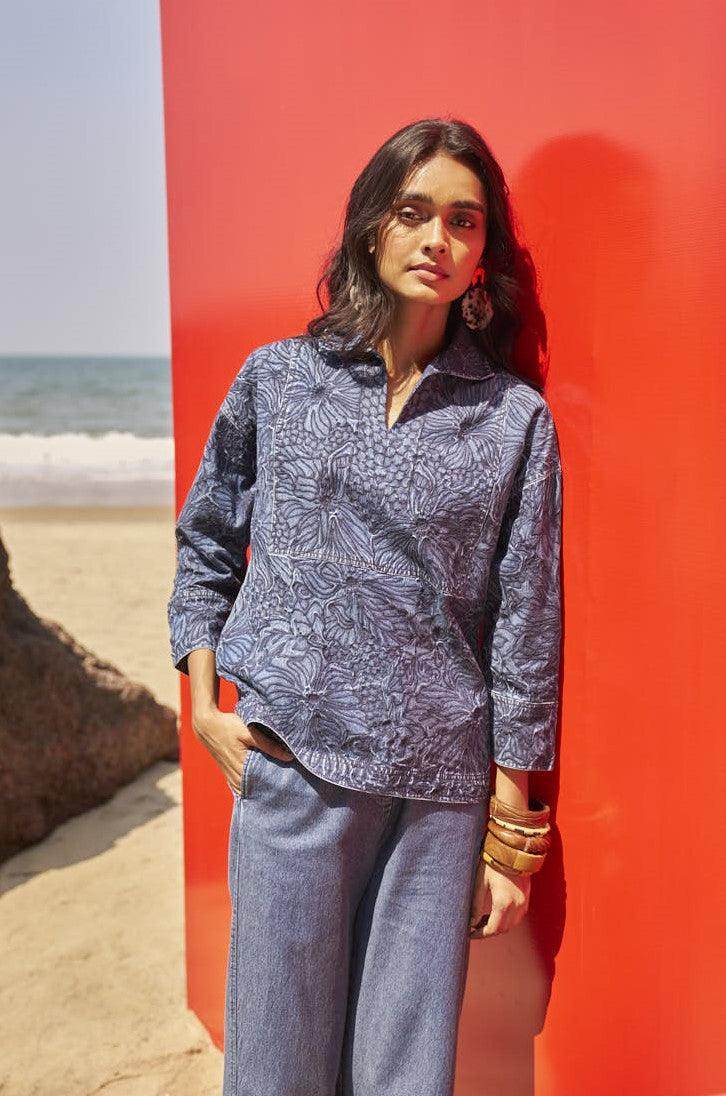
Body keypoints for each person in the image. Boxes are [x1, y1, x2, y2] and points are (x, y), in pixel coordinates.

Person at [167, 116, 563, 1096]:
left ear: (483, 254)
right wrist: (204, 705)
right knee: (276, 1068)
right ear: (370, 226)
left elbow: (526, 626)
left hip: (437, 800)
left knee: (403, 1078)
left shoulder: (513, 419)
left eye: (463, 221)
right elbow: (205, 541)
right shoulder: (278, 379)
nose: (437, 239)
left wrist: (512, 838)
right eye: (414, 212)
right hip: (293, 768)